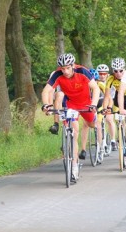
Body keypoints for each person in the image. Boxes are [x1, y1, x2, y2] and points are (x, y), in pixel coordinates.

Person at [41, 53, 100, 183]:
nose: (65, 71)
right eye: (62, 69)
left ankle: (96, 123)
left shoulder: (82, 71)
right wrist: (46, 104)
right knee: (73, 132)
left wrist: (94, 105)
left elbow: (95, 88)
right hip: (71, 104)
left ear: (73, 65)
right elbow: (46, 91)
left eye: (68, 68)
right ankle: (74, 166)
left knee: (91, 125)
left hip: (86, 103)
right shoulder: (58, 74)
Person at [101, 58, 126, 152]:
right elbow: (107, 96)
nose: (118, 73)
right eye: (116, 71)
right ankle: (119, 134)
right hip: (118, 99)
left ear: (124, 69)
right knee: (117, 117)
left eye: (121, 71)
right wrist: (105, 109)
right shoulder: (111, 78)